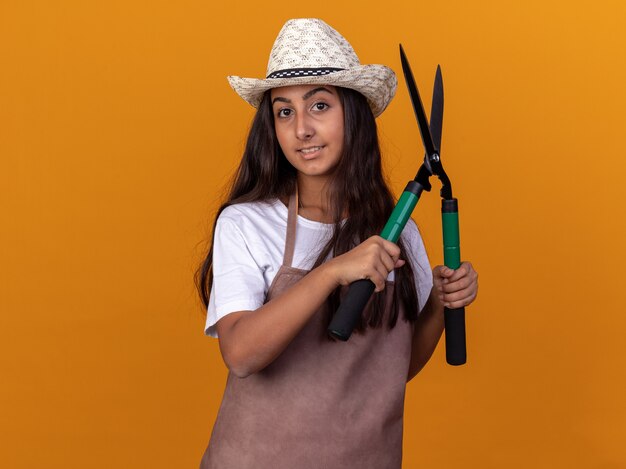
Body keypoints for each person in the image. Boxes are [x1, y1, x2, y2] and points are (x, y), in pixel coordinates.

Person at [196, 18, 478, 469]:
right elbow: (241, 355)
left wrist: (442, 305)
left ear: (355, 114)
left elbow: (391, 373)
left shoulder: (399, 232)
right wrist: (331, 272)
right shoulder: (247, 223)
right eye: (284, 111)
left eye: (320, 106)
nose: (301, 129)